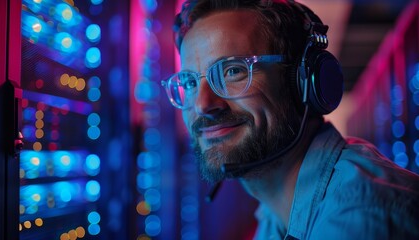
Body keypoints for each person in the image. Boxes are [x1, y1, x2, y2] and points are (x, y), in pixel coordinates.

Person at [161, 0, 419, 239]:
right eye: (190, 82)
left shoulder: (359, 216)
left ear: (302, 82)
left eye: (233, 71)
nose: (203, 104)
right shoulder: (273, 213)